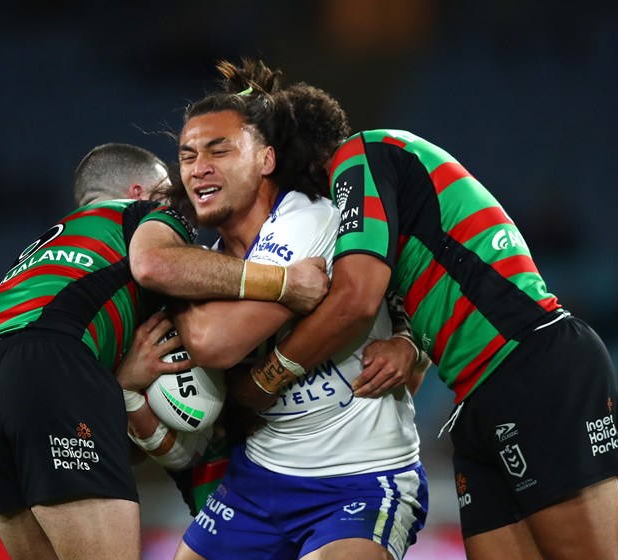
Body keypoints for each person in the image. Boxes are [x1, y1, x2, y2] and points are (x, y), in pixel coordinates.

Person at [240, 91, 618, 558]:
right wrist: (408, 342)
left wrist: (268, 377)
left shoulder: (361, 154)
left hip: (531, 364)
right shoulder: (374, 210)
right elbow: (413, 333)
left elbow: (355, 302)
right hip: (476, 395)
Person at [0, 142, 329, 560]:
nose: (177, 204)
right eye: (167, 192)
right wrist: (284, 282)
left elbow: (110, 445)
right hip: (49, 364)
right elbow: (159, 265)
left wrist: (120, 385)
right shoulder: (143, 217)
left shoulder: (47, 252)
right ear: (139, 192)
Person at [126, 59, 430, 560]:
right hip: (260, 479)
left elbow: (214, 342)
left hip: (361, 478)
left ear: (266, 159)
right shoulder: (215, 263)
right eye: (186, 156)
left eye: (218, 149)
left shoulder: (307, 218)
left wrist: (185, 288)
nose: (197, 166)